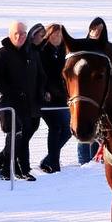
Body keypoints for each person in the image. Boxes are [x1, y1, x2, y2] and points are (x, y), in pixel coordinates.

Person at [0, 21, 46, 181]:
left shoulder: (32, 53)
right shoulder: (2, 53)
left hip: (29, 103)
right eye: (16, 33)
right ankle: (6, 169)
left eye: (22, 33)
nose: (20, 36)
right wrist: (13, 92)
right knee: (15, 134)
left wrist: (40, 92)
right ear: (10, 34)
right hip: (10, 103)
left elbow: (41, 76)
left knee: (25, 135)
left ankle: (23, 169)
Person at [76, 17, 112, 164]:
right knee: (83, 127)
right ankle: (83, 161)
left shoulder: (106, 50)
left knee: (98, 130)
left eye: (99, 30)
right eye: (94, 29)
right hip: (85, 94)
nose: (96, 33)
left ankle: (94, 159)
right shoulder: (82, 49)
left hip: (100, 97)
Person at [37, 23, 71, 173]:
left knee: (68, 130)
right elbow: (41, 74)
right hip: (47, 97)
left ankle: (49, 159)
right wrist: (45, 90)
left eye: (60, 35)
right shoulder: (42, 51)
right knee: (55, 127)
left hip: (62, 97)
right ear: (48, 35)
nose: (57, 38)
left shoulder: (65, 50)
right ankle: (53, 164)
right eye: (54, 35)